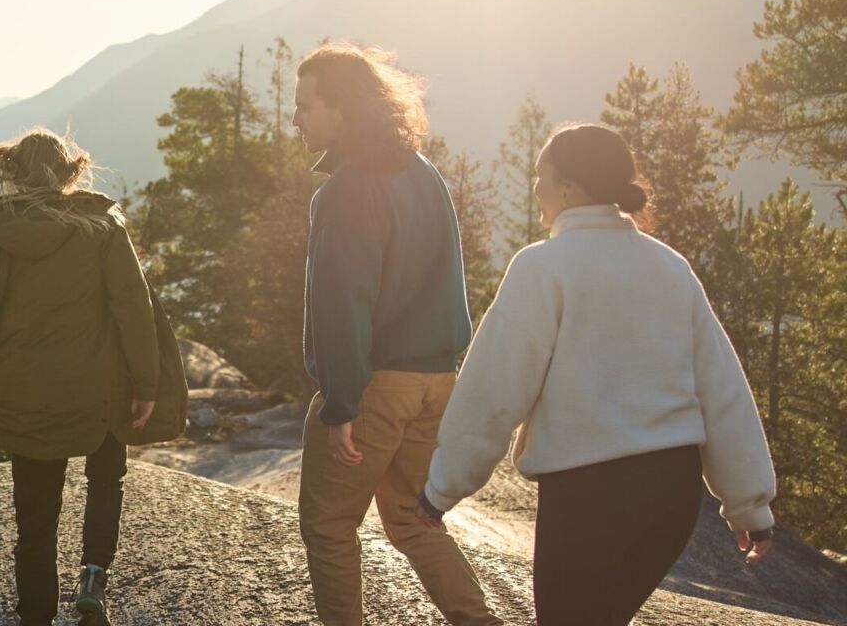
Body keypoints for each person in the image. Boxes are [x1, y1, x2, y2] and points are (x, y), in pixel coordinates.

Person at [419, 123, 777, 625]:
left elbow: (495, 392)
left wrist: (441, 489)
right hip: (669, 499)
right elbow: (723, 392)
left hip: (589, 496)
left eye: (541, 176)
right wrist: (750, 505)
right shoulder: (670, 267)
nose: (535, 188)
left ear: (570, 187)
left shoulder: (543, 267)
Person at [0, 126, 187, 626]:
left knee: (36, 515)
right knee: (106, 478)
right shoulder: (102, 228)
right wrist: (146, 384)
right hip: (101, 390)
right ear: (68, 174)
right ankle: (93, 581)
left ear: (10, 173)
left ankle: (35, 612)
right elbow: (133, 308)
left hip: (27, 397)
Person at [291, 42, 501, 626]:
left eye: (306, 105)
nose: (295, 117)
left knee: (330, 526)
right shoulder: (423, 171)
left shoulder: (345, 192)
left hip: (377, 387)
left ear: (343, 109)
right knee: (411, 517)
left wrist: (341, 403)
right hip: (436, 380)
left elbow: (342, 306)